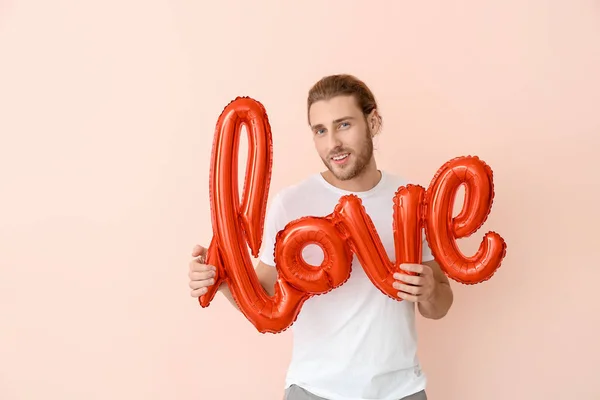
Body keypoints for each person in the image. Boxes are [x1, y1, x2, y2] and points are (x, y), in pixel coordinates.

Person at [188, 74, 454, 400]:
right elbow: (263, 298)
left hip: (400, 391)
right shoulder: (292, 203)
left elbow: (440, 304)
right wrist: (219, 280)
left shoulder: (411, 199)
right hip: (313, 391)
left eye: (344, 125)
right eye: (320, 130)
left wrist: (427, 291)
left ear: (373, 122)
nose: (333, 144)